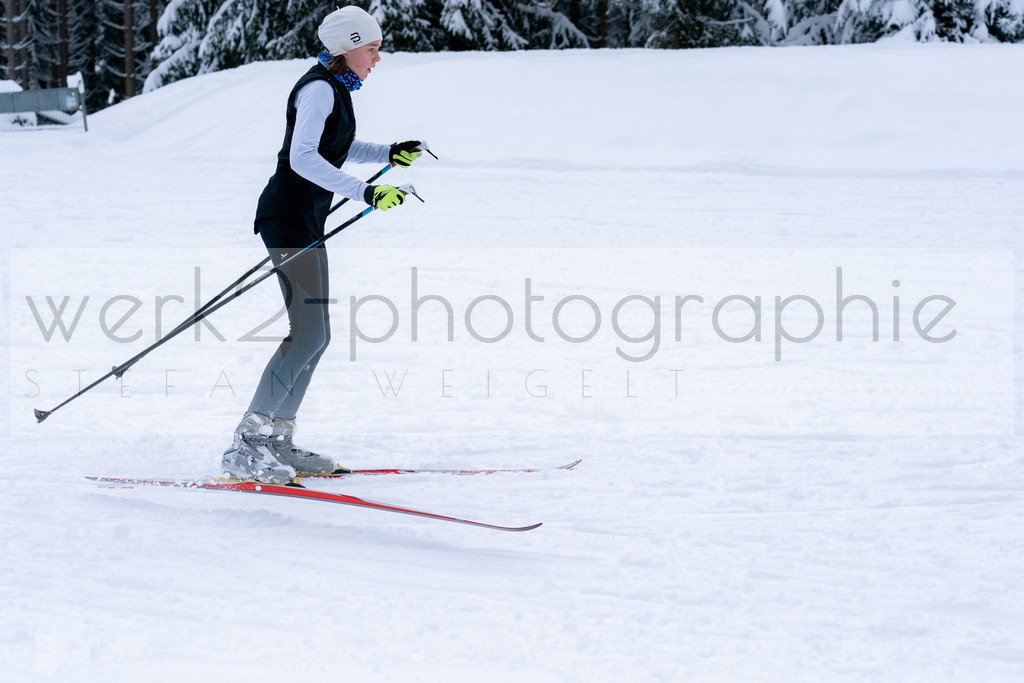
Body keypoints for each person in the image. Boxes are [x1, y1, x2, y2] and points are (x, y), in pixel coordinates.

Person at [222, 6, 426, 483]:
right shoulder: (317, 88)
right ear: (346, 46)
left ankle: (278, 441)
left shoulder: (334, 89)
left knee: (318, 335)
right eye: (372, 48)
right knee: (309, 334)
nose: (377, 58)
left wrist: (386, 154)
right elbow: (302, 157)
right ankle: (247, 445)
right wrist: (366, 191)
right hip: (287, 218)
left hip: (304, 220)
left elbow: (338, 145)